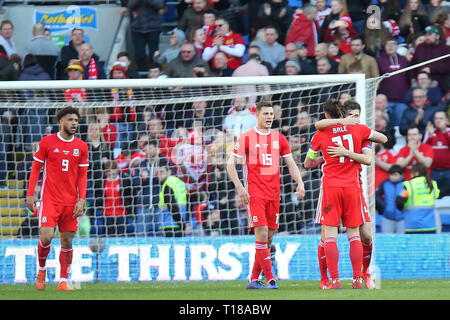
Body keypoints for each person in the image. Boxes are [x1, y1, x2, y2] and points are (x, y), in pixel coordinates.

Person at [304, 99, 387, 290]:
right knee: (354, 235)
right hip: (352, 187)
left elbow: (308, 162)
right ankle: (357, 279)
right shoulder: (359, 130)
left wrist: (323, 156)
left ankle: (334, 280)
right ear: (344, 114)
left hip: (331, 187)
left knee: (330, 236)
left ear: (326, 115)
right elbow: (383, 139)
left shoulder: (320, 134)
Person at [227, 101, 306, 289]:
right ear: (257, 115)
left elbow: (290, 164)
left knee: (268, 238)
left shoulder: (280, 138)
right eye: (266, 114)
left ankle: (253, 279)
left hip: (274, 194)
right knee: (261, 233)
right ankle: (271, 278)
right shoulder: (246, 138)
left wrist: (300, 183)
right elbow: (231, 165)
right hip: (254, 194)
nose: (270, 117)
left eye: (271, 114)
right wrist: (240, 188)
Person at [26, 106, 89, 291]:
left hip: (71, 201)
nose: (74, 123)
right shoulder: (47, 142)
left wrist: (81, 199)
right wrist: (31, 194)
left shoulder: (82, 147)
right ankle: (42, 270)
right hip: (50, 199)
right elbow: (36, 169)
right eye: (70, 120)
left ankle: (63, 280)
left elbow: (82, 175)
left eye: (76, 120)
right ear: (61, 121)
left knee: (67, 241)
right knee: (46, 237)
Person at [396, 162, 440, 234]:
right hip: (430, 226)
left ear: (416, 173)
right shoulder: (433, 183)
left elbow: (399, 202)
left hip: (412, 226)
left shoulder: (409, 184)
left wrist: (401, 209)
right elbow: (437, 195)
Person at [376, 37, 410, 125]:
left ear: (397, 46)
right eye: (388, 44)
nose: (390, 47)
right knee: (386, 124)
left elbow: (409, 77)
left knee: (400, 124)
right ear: (384, 46)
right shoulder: (379, 60)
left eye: (393, 44)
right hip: (385, 101)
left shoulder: (404, 60)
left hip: (401, 100)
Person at [125, 0, 165, 72]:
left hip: (153, 28)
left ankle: (154, 73)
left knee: (154, 55)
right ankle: (142, 75)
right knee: (139, 55)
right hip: (137, 28)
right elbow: (130, 5)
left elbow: (160, 5)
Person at [410, 24, 450, 93]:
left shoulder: (445, 49)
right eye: (426, 35)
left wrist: (431, 69)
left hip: (438, 86)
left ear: (437, 36)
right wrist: (412, 79)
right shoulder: (420, 47)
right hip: (419, 86)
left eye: (430, 35)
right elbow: (413, 64)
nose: (427, 37)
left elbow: (447, 66)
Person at [155, 164, 188, 237]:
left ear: (169, 172)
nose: (159, 175)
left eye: (161, 172)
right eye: (157, 172)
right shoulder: (179, 182)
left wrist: (181, 223)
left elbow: (172, 206)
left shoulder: (167, 185)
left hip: (169, 224)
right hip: (180, 221)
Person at [423, 111, 450, 198]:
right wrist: (430, 136)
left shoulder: (449, 132)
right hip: (434, 171)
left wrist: (444, 131)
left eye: (441, 118)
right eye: (436, 118)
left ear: (447, 120)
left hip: (448, 171)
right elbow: (424, 149)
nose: (438, 121)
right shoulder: (430, 132)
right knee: (435, 196)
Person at [376, 165, 405, 234]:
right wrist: (384, 206)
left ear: (401, 175)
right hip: (387, 217)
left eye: (395, 175)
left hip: (403, 218)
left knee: (402, 241)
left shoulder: (405, 184)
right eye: (391, 175)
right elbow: (376, 196)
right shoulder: (385, 183)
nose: (392, 177)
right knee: (386, 239)